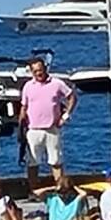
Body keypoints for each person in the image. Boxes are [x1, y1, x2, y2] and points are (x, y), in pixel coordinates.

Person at [19, 56, 77, 189]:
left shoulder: (57, 83)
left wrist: (66, 115)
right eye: (35, 71)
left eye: (40, 70)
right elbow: (24, 106)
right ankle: (34, 191)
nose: (38, 73)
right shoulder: (28, 86)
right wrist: (21, 124)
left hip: (52, 129)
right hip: (33, 130)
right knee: (32, 163)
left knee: (56, 161)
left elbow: (72, 97)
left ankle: (61, 189)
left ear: (45, 69)